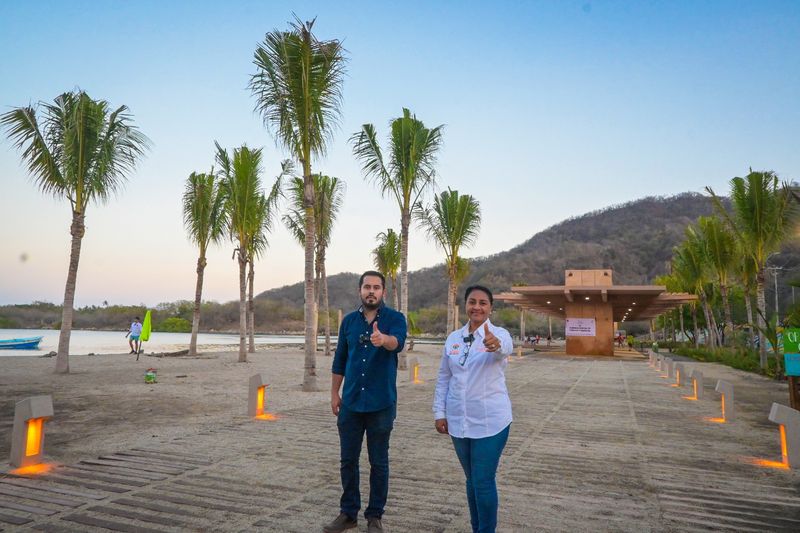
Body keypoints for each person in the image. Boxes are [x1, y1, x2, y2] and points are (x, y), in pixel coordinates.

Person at [324, 271, 407, 533]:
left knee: (379, 462)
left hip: (381, 404)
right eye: (367, 287)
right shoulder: (349, 322)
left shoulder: (395, 319)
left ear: (384, 291)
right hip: (350, 403)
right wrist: (334, 394)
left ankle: (374, 516)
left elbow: (398, 343)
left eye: (377, 287)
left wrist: (384, 340)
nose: (372, 291)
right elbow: (340, 360)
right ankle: (348, 513)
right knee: (348, 460)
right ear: (360, 290)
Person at [433, 285, 513, 533]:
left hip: (491, 422)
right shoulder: (453, 338)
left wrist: (495, 344)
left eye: (483, 303)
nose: (477, 307)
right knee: (471, 481)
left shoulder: (499, 334)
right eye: (472, 302)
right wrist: (439, 413)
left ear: (490, 308)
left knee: (483, 480)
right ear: (466, 305)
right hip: (458, 421)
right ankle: (476, 527)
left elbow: (504, 348)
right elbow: (444, 378)